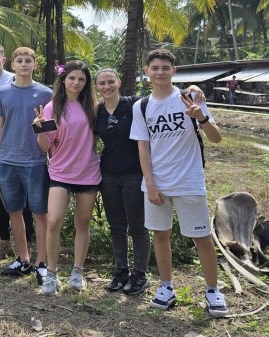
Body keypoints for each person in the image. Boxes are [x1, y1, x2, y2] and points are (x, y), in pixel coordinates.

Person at [129, 48, 227, 317]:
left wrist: (201, 117)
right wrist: (149, 183)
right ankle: (166, 286)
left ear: (175, 71)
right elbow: (143, 147)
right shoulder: (142, 106)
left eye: (165, 68)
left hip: (188, 180)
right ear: (146, 72)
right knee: (161, 235)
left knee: (202, 237)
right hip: (157, 183)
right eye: (155, 68)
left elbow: (216, 138)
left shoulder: (190, 97)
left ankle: (212, 290)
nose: (160, 72)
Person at [95, 69, 205, 295]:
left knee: (138, 227)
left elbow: (163, 96)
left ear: (119, 82)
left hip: (136, 173)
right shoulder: (97, 111)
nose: (107, 87)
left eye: (110, 82)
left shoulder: (134, 104)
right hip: (108, 175)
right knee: (116, 226)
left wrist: (193, 89)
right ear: (96, 87)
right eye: (102, 83)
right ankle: (121, 271)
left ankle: (139, 274)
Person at [32, 61, 101, 295]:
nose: (76, 83)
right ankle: (51, 274)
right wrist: (40, 129)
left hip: (88, 172)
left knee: (82, 223)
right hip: (60, 172)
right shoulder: (52, 108)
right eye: (72, 78)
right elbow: (45, 147)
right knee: (54, 221)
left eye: (81, 79)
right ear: (63, 79)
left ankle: (77, 271)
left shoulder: (93, 106)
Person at [0, 47, 52, 285]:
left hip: (36, 161)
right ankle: (23, 258)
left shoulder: (46, 93)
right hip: (7, 161)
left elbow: (50, 130)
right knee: (14, 212)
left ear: (35, 65)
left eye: (29, 61)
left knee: (40, 213)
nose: (24, 64)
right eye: (20, 60)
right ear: (13, 65)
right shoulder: (1, 93)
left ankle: (42, 263)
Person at [0, 43, 32, 259]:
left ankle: (27, 244)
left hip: (16, 149)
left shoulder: (14, 79)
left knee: (23, 200)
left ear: (4, 60)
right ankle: (4, 241)